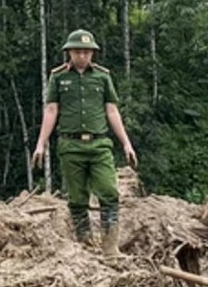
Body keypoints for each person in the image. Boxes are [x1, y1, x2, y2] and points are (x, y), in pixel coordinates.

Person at [31, 29, 137, 248]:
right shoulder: (58, 77)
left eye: (87, 52)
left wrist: (126, 143)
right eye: (78, 52)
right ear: (69, 52)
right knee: (77, 199)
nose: (82, 56)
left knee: (108, 192)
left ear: (93, 54)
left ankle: (110, 246)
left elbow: (112, 111)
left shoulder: (102, 76)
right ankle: (85, 243)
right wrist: (41, 144)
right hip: (70, 145)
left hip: (99, 144)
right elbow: (51, 110)